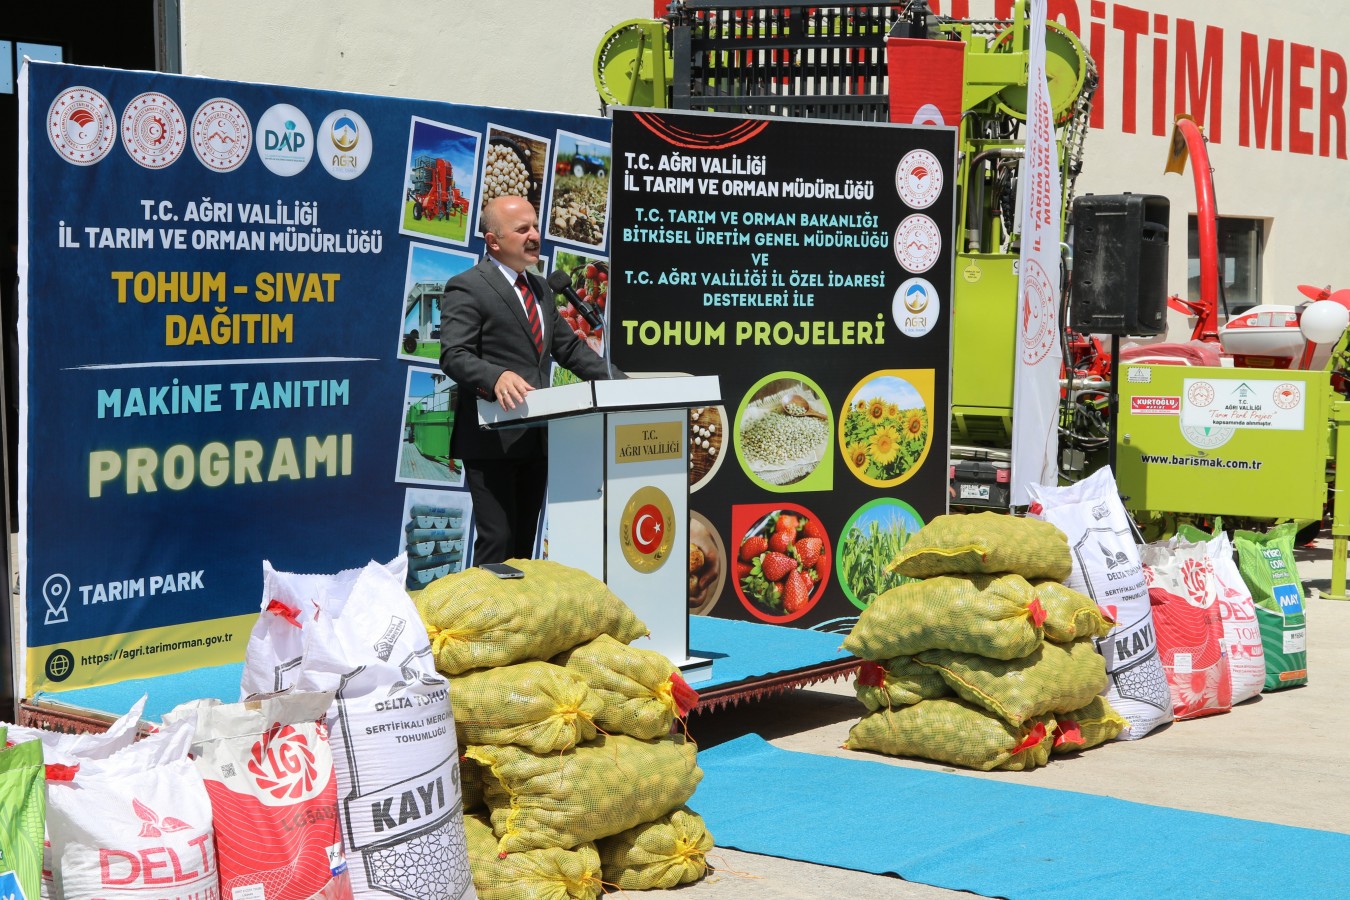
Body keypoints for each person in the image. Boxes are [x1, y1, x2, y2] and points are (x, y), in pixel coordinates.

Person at [439, 195, 621, 565]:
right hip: (492, 440)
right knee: (498, 541)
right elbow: (453, 355)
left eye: (535, 226)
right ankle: (485, 620)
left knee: (523, 544)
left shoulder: (541, 288)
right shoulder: (467, 286)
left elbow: (570, 350)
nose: (534, 235)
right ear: (493, 241)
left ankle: (519, 621)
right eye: (522, 229)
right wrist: (496, 376)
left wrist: (623, 384)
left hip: (536, 439)